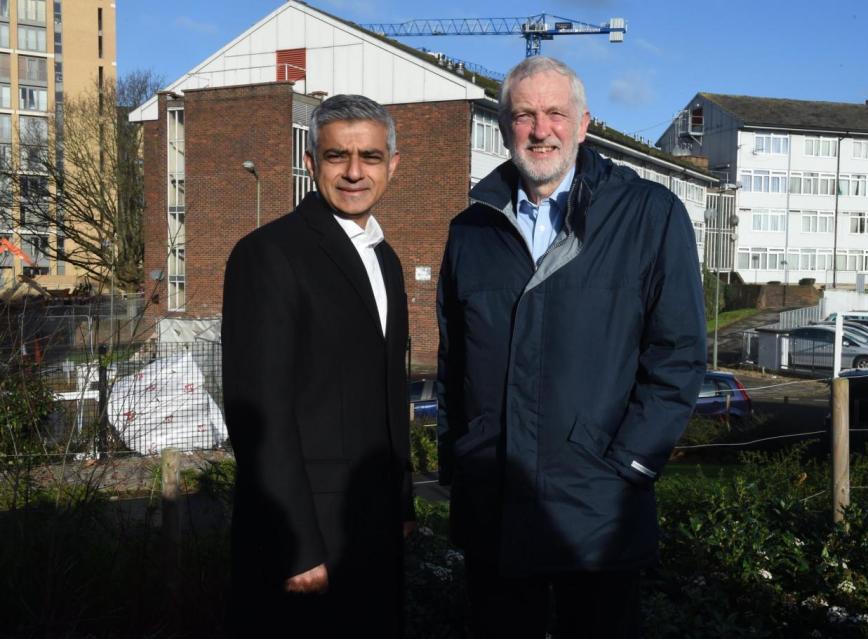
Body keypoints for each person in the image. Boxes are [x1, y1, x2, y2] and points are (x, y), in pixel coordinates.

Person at [436, 56, 707, 638]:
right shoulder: (471, 229)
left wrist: (628, 464)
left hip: (599, 506)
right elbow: (453, 359)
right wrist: (460, 459)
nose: (541, 130)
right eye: (525, 115)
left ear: (584, 124)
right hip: (496, 501)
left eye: (556, 113)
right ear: (505, 125)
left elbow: (678, 356)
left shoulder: (649, 215)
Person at [222, 94, 414, 637]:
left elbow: (386, 392)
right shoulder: (269, 254)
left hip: (373, 529)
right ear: (311, 163)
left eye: (371, 157)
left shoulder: (386, 259)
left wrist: (402, 504)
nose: (355, 172)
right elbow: (258, 412)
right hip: (308, 542)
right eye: (337, 157)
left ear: (393, 165)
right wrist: (296, 547)